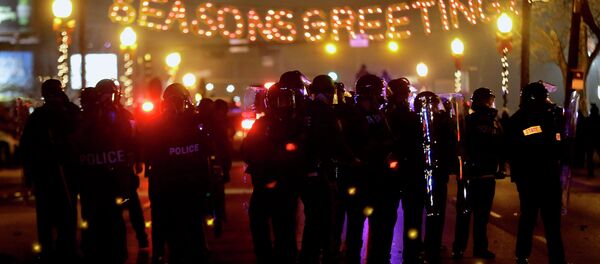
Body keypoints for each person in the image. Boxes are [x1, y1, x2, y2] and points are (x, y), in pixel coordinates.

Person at [143, 83, 211, 264]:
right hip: (168, 185)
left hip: (188, 185)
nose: (175, 106)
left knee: (192, 224)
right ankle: (158, 252)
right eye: (171, 102)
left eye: (177, 101)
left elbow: (206, 150)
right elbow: (147, 150)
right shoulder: (156, 125)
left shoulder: (195, 123)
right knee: (163, 223)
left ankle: (167, 252)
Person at [242, 80, 305, 264]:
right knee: (261, 226)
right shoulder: (262, 125)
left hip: (285, 186)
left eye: (285, 101)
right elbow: (246, 151)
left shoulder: (296, 125)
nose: (282, 106)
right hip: (265, 185)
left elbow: (301, 152)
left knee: (284, 229)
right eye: (279, 101)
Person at [76, 79, 136, 264]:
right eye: (105, 95)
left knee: (114, 218)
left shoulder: (124, 116)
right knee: (93, 219)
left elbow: (133, 140)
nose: (108, 99)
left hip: (113, 179)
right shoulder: (85, 116)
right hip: (93, 179)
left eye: (111, 95)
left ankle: (116, 253)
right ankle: (94, 252)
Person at [20, 79, 80, 263]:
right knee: (54, 215)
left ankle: (61, 249)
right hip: (49, 173)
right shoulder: (41, 116)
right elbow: (27, 148)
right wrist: (30, 176)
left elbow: (78, 128)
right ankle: (55, 249)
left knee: (61, 215)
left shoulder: (65, 113)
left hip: (63, 173)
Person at [508, 82, 566, 264]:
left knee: (551, 223)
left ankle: (556, 258)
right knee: (529, 219)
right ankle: (522, 256)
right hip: (531, 179)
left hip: (548, 178)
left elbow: (558, 145)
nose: (547, 100)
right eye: (543, 96)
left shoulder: (549, 117)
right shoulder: (520, 120)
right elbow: (513, 151)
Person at [452, 88, 505, 260]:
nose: (491, 103)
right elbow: (500, 148)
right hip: (480, 176)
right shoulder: (491, 123)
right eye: (489, 99)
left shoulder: (471, 121)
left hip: (474, 176)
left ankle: (460, 248)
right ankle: (477, 248)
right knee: (480, 217)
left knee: (466, 215)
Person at [299, 75, 344, 264]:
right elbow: (334, 141)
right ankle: (326, 253)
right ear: (329, 91)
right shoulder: (325, 111)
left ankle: (309, 254)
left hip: (304, 171)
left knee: (312, 216)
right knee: (325, 218)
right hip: (321, 171)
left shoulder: (305, 109)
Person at [352, 74, 395, 264]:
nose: (381, 95)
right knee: (359, 226)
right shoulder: (355, 115)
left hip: (376, 178)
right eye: (379, 91)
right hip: (364, 177)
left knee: (379, 226)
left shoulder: (378, 113)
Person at [384, 78, 426, 264]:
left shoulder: (383, 115)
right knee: (413, 217)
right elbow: (418, 144)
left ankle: (382, 253)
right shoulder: (410, 117)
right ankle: (412, 254)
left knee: (386, 217)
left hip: (390, 173)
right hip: (410, 172)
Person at [414, 91, 457, 264]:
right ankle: (425, 246)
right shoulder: (419, 121)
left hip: (434, 172)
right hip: (425, 173)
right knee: (425, 212)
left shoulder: (440, 121)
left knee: (431, 212)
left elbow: (452, 143)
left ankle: (429, 245)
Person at [586, 104, 600, 178]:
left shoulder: (589, 119)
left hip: (590, 139)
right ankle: (590, 173)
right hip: (597, 139)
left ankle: (590, 173)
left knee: (589, 157)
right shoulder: (598, 118)